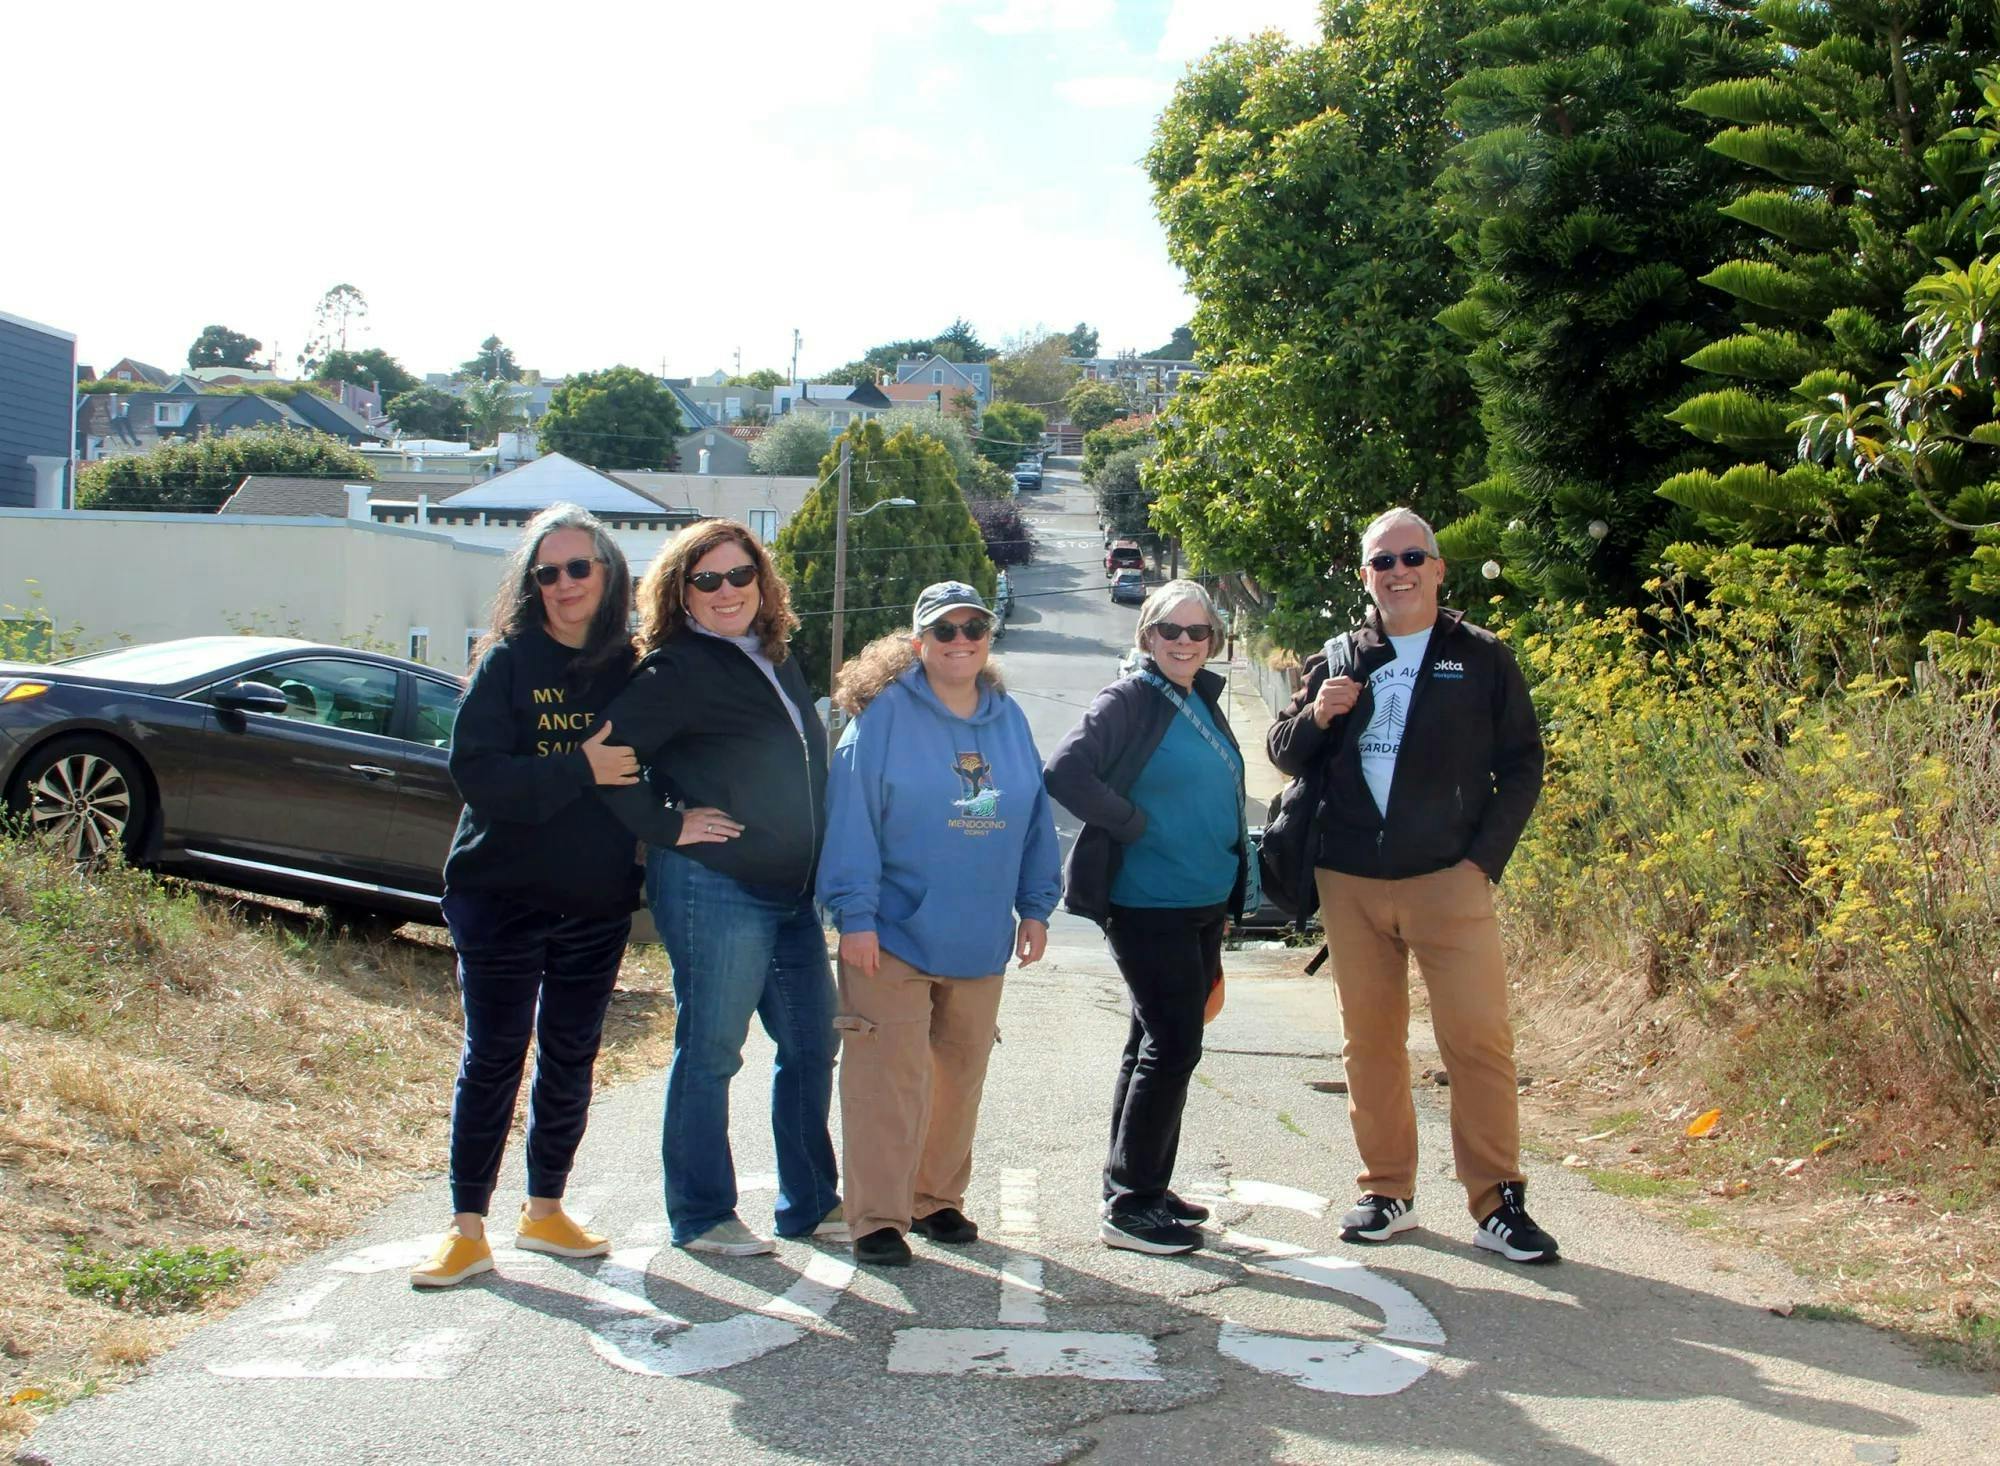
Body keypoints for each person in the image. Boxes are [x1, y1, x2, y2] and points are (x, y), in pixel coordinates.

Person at [1267, 507, 1556, 1263]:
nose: (1396, 572)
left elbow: (1524, 762)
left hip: (1447, 880)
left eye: (1410, 558)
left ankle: (1498, 1201)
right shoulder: (1337, 657)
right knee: (1371, 1044)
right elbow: (1285, 754)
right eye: (1381, 562)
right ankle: (1386, 1190)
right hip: (1351, 880)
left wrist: (1481, 861)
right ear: (1365, 577)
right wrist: (1318, 717)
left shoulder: (1482, 657)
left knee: (1478, 1042)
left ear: (1437, 569)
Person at [593, 520, 842, 1257]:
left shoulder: (775, 659)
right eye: (707, 580)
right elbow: (607, 755)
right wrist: (669, 827)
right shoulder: (677, 669)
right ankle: (702, 1214)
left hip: (790, 894)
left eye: (740, 575)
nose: (727, 591)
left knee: (809, 1043)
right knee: (711, 1051)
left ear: (763, 583)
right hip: (716, 887)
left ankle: (811, 1204)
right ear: (682, 594)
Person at [413, 503, 643, 1289]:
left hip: (596, 898)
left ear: (608, 574)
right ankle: (466, 1228)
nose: (564, 584)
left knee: (572, 1056)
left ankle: (545, 1210)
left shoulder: (631, 667)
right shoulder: (508, 663)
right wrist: (578, 767)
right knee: (496, 1056)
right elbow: (477, 776)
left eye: (579, 568)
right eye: (547, 572)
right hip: (501, 894)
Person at [818, 583, 1062, 1268]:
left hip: (978, 935)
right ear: (918, 642)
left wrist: (1036, 905)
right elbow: (853, 819)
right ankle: (876, 1218)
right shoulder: (885, 717)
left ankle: (936, 1200)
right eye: (944, 630)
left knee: (959, 1076)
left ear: (989, 636)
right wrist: (855, 916)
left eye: (973, 627)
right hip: (889, 935)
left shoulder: (1007, 717)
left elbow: (1033, 814)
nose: (960, 640)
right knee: (886, 1080)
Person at [1045, 579, 1250, 1257]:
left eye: (1199, 633)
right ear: (1148, 637)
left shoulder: (1198, 699)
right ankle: (1132, 1206)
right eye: (1171, 631)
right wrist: (1132, 822)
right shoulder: (1130, 698)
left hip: (1198, 901)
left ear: (1213, 641)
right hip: (1146, 902)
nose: (1185, 642)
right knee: (1174, 1045)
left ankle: (1142, 1187)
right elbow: (1067, 773)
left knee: (1150, 1047)